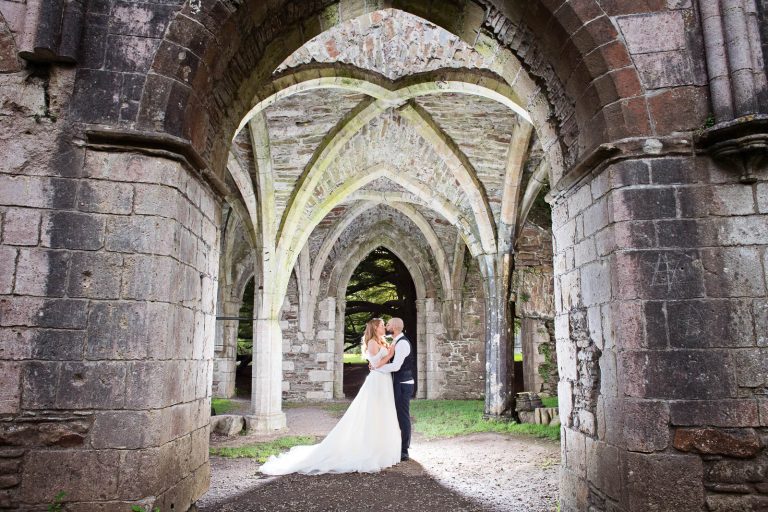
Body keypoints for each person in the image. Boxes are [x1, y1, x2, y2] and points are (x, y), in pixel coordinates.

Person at [259, 318, 401, 475]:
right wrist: (390, 355)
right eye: (381, 325)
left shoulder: (382, 341)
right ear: (375, 328)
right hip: (377, 380)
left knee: (383, 412)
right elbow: (375, 364)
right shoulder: (373, 343)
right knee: (373, 413)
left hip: (384, 380)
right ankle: (371, 449)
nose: (384, 328)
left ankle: (382, 447)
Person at [372, 317, 414, 462]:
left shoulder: (402, 344)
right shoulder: (395, 341)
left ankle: (404, 450)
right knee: (395, 415)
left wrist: (378, 368)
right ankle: (396, 446)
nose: (386, 326)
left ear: (394, 327)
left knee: (403, 416)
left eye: (388, 324)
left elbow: (396, 366)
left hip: (403, 383)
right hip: (398, 383)